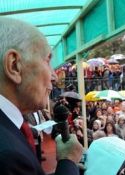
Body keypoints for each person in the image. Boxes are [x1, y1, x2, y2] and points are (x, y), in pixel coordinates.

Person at [0, 17, 83, 175]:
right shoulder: (8, 157)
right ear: (14, 66)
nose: (54, 76)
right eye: (47, 61)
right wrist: (68, 161)